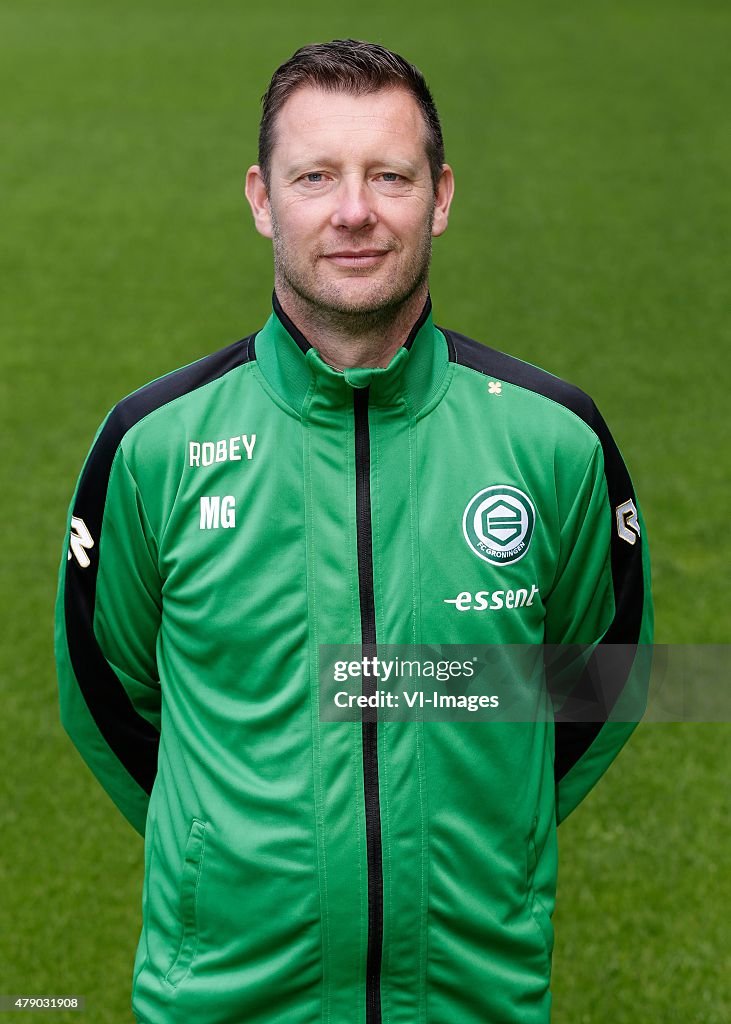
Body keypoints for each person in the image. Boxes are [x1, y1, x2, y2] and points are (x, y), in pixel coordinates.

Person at [55, 39, 653, 1024]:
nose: (352, 211)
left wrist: (494, 825)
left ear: (441, 195)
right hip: (227, 999)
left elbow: (604, 672)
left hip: (470, 995)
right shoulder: (151, 446)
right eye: (315, 176)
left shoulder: (554, 441)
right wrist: (211, 838)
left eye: (388, 175)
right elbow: (102, 693)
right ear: (260, 198)